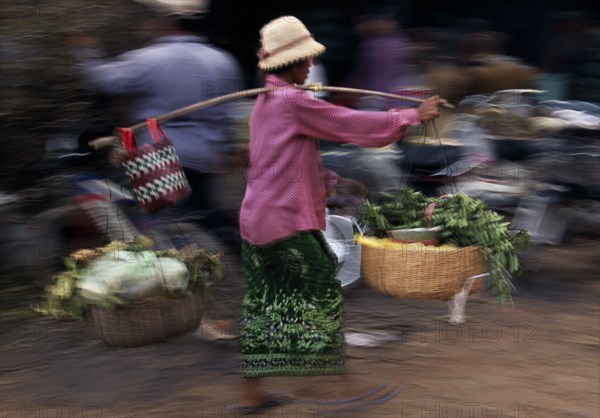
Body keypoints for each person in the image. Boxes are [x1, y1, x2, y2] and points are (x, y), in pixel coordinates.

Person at [236, 16, 446, 413]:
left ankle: (252, 395)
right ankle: (337, 388)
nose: (311, 66)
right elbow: (349, 124)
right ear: (290, 64)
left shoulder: (267, 101)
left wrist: (334, 182)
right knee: (320, 294)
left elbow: (282, 159)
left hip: (260, 219)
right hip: (283, 222)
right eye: (306, 60)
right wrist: (410, 116)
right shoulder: (292, 100)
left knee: (266, 303)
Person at [69, 0, 244, 229]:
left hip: (158, 159)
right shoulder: (223, 62)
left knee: (164, 232)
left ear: (167, 20)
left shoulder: (149, 58)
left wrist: (85, 51)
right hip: (207, 159)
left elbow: (104, 81)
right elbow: (229, 115)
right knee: (200, 227)